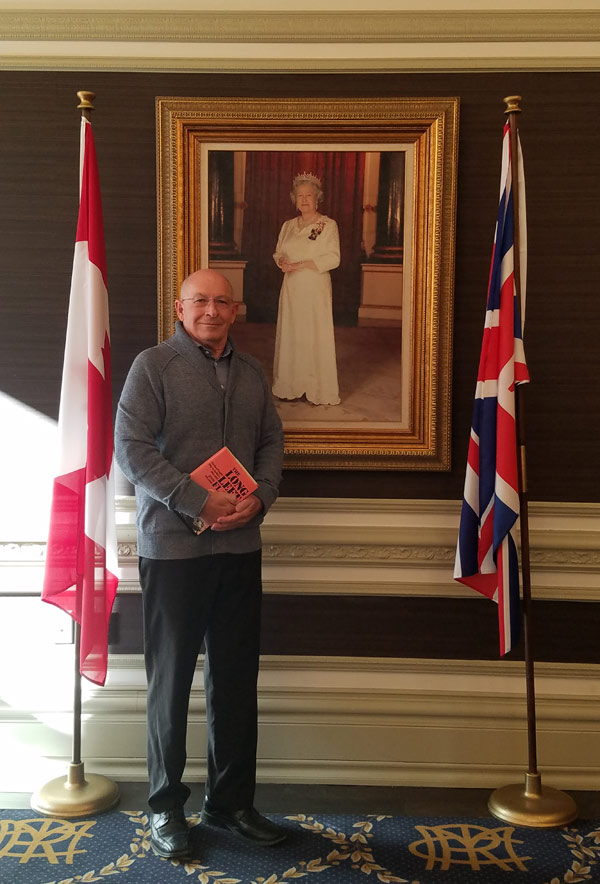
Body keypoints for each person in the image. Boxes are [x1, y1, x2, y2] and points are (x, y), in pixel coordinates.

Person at [114, 268, 286, 860]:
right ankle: (165, 807)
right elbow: (131, 450)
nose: (211, 310)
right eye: (199, 301)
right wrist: (196, 500)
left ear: (234, 310)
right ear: (180, 310)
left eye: (221, 301)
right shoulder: (152, 367)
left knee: (236, 681)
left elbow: (271, 446)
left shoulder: (254, 373)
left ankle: (230, 802)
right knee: (170, 684)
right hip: (173, 551)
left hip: (240, 549)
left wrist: (259, 498)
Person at [272, 172, 341, 406]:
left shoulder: (327, 225)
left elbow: (333, 258)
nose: (304, 200)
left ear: (317, 198)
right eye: (300, 196)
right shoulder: (288, 226)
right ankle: (290, 385)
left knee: (313, 334)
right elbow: (279, 251)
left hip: (314, 287)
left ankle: (316, 388)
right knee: (293, 333)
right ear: (294, 199)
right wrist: (282, 262)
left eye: (308, 196)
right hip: (291, 287)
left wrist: (300, 264)